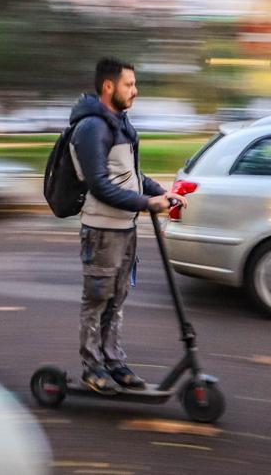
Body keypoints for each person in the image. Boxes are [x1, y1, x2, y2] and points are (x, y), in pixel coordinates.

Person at [68, 57, 188, 395]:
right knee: (96, 301)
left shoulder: (119, 123)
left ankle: (114, 361)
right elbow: (100, 185)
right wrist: (148, 204)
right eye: (129, 84)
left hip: (125, 228)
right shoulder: (92, 127)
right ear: (109, 86)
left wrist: (161, 191)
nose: (135, 91)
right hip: (102, 231)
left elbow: (131, 176)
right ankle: (93, 369)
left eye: (134, 84)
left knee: (116, 299)